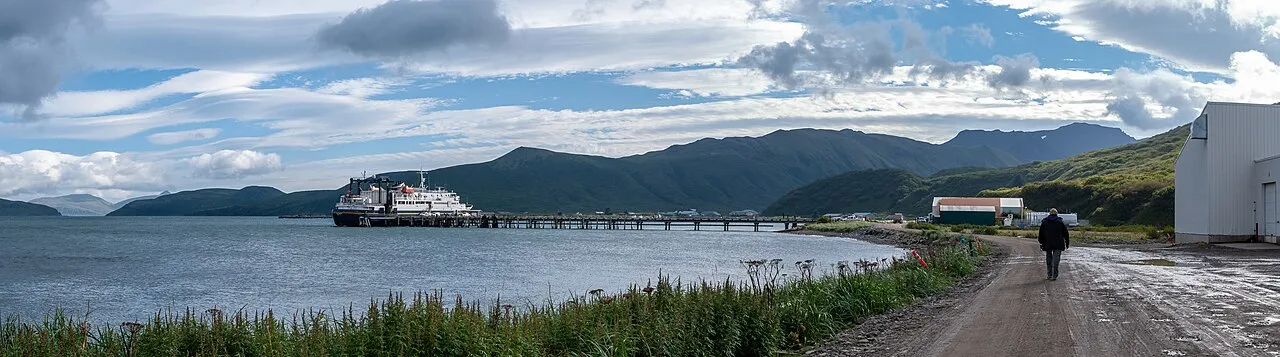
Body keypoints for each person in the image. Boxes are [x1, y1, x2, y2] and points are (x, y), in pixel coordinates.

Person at [1038, 208, 1070, 281]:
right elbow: (1066, 233)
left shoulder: (1045, 222)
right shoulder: (1060, 222)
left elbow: (1041, 234)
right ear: (1056, 214)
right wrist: (1067, 242)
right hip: (1058, 244)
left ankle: (1049, 275)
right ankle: (1054, 275)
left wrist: (1041, 242)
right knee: (1056, 259)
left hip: (1048, 243)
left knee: (1048, 259)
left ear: (1049, 214)